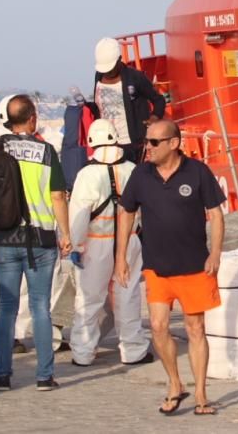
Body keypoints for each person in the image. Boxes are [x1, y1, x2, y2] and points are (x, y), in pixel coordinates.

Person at [115, 119, 224, 416]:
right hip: (157, 266)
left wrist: (215, 253)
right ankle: (175, 383)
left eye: (153, 142)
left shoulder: (197, 171)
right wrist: (120, 257)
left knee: (195, 328)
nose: (146, 147)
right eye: (146, 141)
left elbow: (215, 214)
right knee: (159, 327)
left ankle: (201, 394)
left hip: (193, 266)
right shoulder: (141, 174)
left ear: (173, 143)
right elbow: (126, 213)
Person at [0, 95, 71, 391]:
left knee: (6, 308)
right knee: (40, 307)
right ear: (32, 118)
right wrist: (65, 233)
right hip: (40, 240)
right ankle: (44, 377)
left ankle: (2, 376)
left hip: (3, 238)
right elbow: (58, 196)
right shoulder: (45, 151)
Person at [68, 119, 151, 367]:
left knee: (89, 299)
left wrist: (75, 246)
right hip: (130, 241)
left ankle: (83, 352)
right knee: (128, 295)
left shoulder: (86, 174)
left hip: (97, 243)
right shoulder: (134, 170)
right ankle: (133, 350)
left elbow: (80, 214)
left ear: (92, 142)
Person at [93, 37, 166, 164]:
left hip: (131, 145)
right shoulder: (98, 76)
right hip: (107, 143)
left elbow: (159, 100)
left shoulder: (135, 78)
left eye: (110, 68)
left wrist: (155, 117)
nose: (108, 72)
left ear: (120, 60)